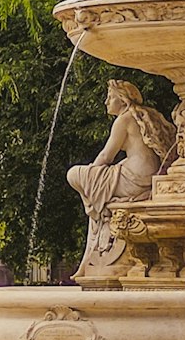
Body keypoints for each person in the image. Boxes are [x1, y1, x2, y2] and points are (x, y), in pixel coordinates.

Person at [68, 81, 176, 280]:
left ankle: (97, 212)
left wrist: (91, 173)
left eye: (110, 96)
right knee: (96, 195)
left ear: (122, 99)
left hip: (133, 179)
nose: (106, 101)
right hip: (147, 175)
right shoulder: (142, 115)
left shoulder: (124, 120)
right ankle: (98, 211)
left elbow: (106, 157)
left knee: (74, 174)